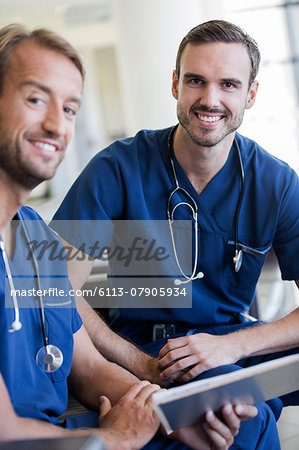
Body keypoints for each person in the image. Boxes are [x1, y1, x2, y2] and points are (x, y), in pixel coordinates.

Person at [0, 23, 258, 450]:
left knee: (235, 425)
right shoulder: (121, 166)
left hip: (67, 431)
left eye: (68, 109)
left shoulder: (31, 236)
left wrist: (170, 411)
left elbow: (84, 366)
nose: (55, 124)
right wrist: (112, 438)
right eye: (35, 99)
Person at [51, 20, 299, 448]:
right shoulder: (117, 168)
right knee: (241, 418)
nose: (210, 99)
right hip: (141, 347)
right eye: (196, 81)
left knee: (237, 405)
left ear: (250, 95)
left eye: (229, 84)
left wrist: (232, 348)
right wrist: (139, 363)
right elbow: (53, 288)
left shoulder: (275, 182)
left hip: (228, 341)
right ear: (175, 84)